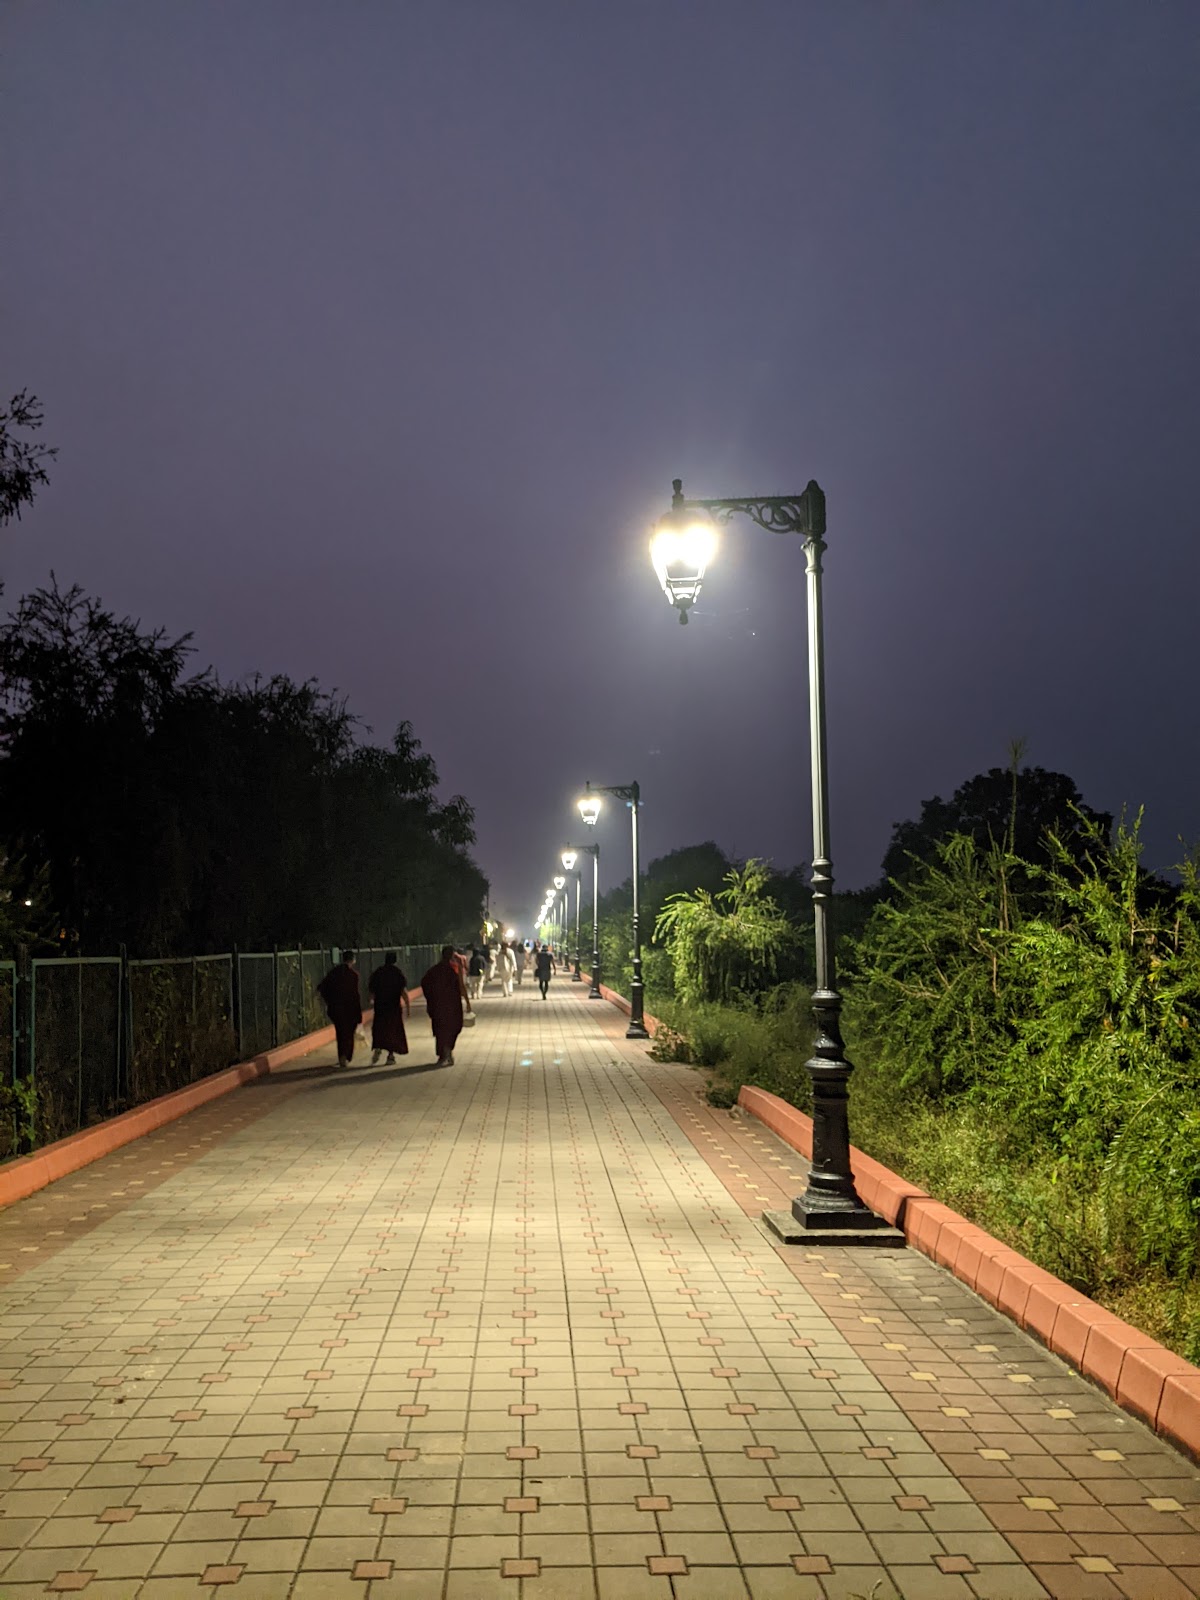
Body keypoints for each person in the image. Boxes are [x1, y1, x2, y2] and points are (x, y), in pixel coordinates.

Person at [420, 944, 472, 1065]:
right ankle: (448, 1049)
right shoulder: (455, 968)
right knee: (454, 1027)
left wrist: (430, 999)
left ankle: (443, 1054)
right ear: (452, 955)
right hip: (452, 1004)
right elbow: (461, 986)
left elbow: (424, 983)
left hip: (438, 1005)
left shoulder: (434, 970)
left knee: (440, 1029)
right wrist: (467, 1002)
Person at [318, 950, 363, 1069]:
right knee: (349, 1033)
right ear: (353, 960)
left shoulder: (334, 973)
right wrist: (359, 1013)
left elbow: (322, 987)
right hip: (350, 1008)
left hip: (335, 1008)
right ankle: (347, 1056)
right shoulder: (353, 975)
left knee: (340, 1032)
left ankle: (342, 1055)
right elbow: (355, 995)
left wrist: (329, 1001)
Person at [368, 951, 410, 1065]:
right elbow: (403, 991)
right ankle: (390, 1055)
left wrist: (371, 1001)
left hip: (380, 1007)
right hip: (394, 1007)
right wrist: (408, 1007)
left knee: (379, 1028)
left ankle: (378, 1047)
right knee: (392, 1030)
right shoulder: (397, 973)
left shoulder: (378, 972)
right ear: (395, 960)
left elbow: (372, 991)